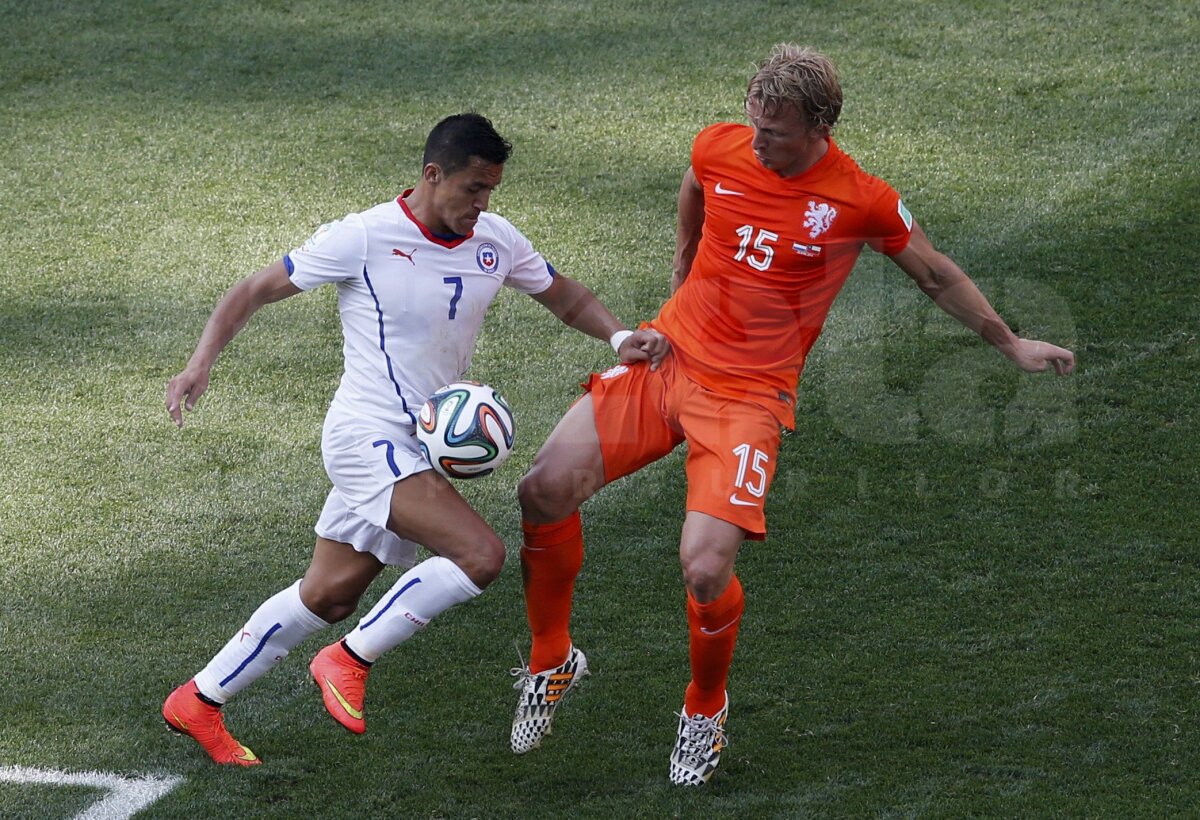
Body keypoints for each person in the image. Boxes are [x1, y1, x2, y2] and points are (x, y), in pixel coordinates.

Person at [508, 45, 1076, 786]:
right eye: (754, 123)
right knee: (542, 489)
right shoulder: (722, 145)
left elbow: (935, 274)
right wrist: (681, 264)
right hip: (668, 359)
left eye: (774, 132)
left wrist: (1009, 344)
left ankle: (704, 707)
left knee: (706, 568)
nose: (757, 140)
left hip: (748, 398)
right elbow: (697, 182)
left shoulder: (859, 199)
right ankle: (553, 660)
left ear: (819, 126)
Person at [161, 112, 669, 766]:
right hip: (365, 437)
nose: (481, 204)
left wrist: (620, 338)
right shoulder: (365, 236)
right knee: (479, 555)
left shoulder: (496, 240)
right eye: (472, 189)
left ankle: (199, 700)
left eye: (491, 192)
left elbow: (562, 294)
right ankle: (345, 662)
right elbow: (255, 289)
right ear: (433, 175)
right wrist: (201, 361)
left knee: (331, 592)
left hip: (416, 447)